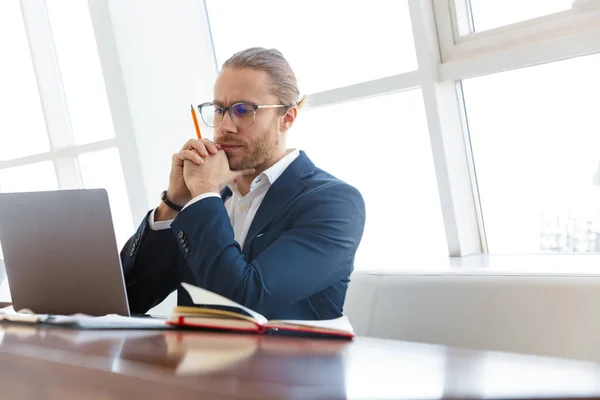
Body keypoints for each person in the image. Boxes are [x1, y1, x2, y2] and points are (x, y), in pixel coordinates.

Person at [121, 47, 365, 320]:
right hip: (193, 360)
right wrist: (173, 204)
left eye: (243, 110)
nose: (225, 126)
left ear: (288, 117)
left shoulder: (335, 203)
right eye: (219, 110)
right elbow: (127, 300)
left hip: (286, 362)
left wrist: (204, 193)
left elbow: (244, 302)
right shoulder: (206, 202)